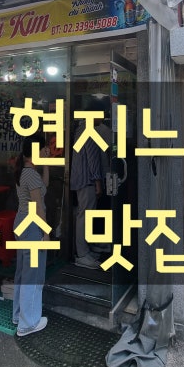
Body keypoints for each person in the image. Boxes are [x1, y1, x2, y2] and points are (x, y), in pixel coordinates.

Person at [12, 135, 50, 337]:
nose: (46, 152)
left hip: (22, 222)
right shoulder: (30, 174)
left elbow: (44, 188)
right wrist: (46, 233)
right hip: (32, 224)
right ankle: (28, 323)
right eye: (43, 149)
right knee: (33, 274)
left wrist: (46, 165)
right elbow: (38, 206)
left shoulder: (26, 171)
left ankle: (19, 315)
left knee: (23, 272)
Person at [69, 99, 110, 269]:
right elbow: (93, 159)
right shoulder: (89, 129)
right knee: (85, 216)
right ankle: (82, 254)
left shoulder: (81, 128)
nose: (104, 118)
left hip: (81, 178)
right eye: (103, 114)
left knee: (84, 215)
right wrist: (98, 182)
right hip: (87, 180)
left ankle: (84, 251)